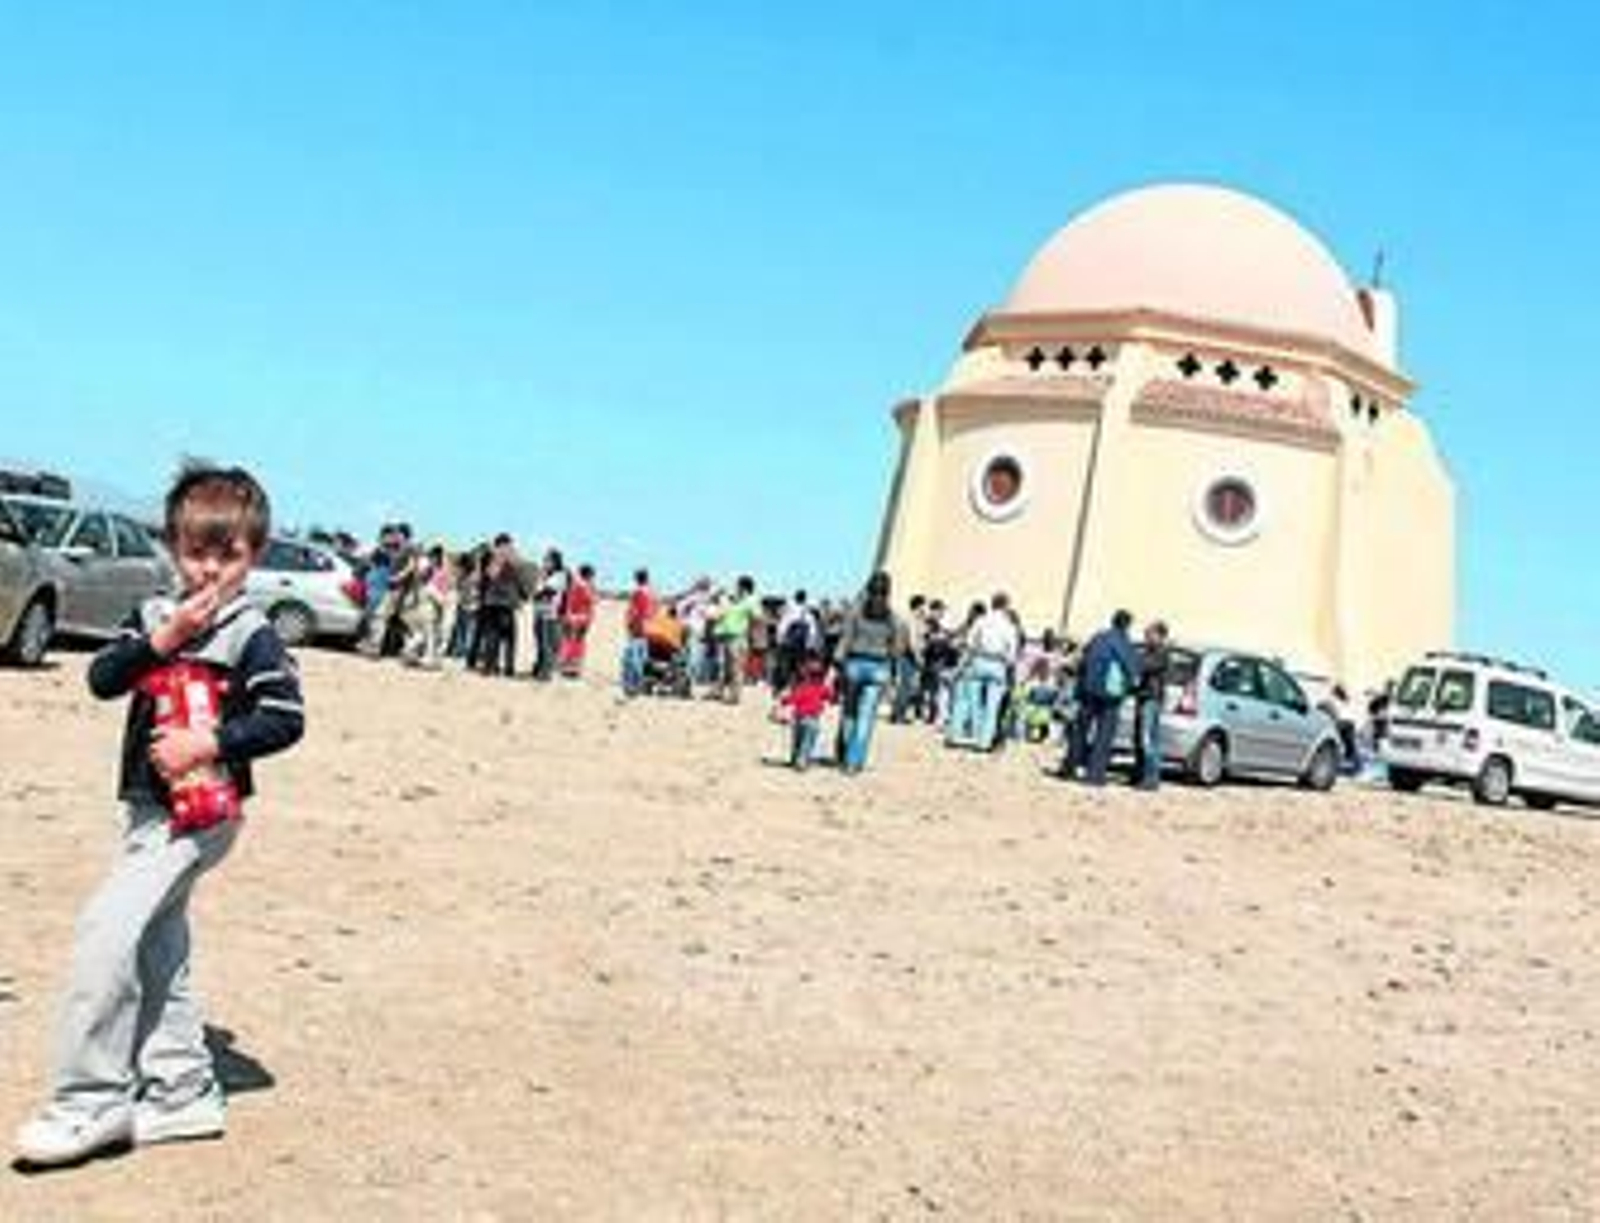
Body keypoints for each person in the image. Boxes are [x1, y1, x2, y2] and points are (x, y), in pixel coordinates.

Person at [13, 465, 306, 1168]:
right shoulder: (153, 615)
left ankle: (90, 1097)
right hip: (147, 810)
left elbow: (285, 718)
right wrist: (164, 638)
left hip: (201, 814)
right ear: (173, 544)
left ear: (252, 556)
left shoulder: (251, 633)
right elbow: (101, 679)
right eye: (196, 549)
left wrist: (209, 740)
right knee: (156, 945)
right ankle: (182, 1089)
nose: (209, 567)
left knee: (104, 933)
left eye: (227, 553)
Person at [834, 571, 910, 774]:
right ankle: (854, 761)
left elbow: (845, 641)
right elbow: (898, 648)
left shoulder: (856, 612)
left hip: (855, 664)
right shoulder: (894, 618)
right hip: (879, 668)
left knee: (849, 712)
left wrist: (838, 663)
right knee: (866, 717)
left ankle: (844, 751)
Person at [1063, 609, 1142, 786]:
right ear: (1128, 625)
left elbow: (1083, 659)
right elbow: (1133, 672)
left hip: (1087, 690)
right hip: (1110, 696)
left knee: (1080, 731)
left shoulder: (1098, 637)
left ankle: (1069, 768)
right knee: (1104, 736)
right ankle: (1095, 774)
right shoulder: (1125, 643)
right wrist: (1128, 689)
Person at [945, 594, 1021, 750]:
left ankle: (958, 734)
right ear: (1006, 606)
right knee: (992, 705)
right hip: (998, 663)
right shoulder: (1009, 626)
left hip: (979, 660)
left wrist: (962, 666)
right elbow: (1012, 654)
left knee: (970, 700)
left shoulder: (981, 621)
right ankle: (984, 741)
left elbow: (970, 644)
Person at [475, 534, 527, 677]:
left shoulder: (492, 556)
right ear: (506, 543)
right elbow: (521, 578)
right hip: (507, 603)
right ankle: (508, 668)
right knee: (510, 637)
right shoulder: (514, 558)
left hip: (491, 601)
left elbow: (487, 576)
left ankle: (489, 667)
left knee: (492, 635)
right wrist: (523, 596)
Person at [1131, 620, 1171, 789]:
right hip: (1145, 697)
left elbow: (1145, 666)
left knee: (1147, 739)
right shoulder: (1150, 651)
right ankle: (1140, 775)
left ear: (1160, 636)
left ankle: (1151, 778)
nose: (1146, 637)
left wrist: (1136, 658)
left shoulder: (1161, 653)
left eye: (1150, 634)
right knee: (1140, 738)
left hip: (1151, 698)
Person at [711, 575, 761, 704]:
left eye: (738, 585)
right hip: (729, 635)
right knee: (727, 667)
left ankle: (735, 696)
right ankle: (721, 692)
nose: (735, 587)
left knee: (736, 668)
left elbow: (757, 618)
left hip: (738, 637)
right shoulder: (737, 599)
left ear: (743, 587)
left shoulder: (751, 600)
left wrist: (750, 633)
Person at [778, 657, 834, 770]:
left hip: (799, 718)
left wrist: (784, 701)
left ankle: (794, 758)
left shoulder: (802, 687)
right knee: (807, 742)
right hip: (813, 719)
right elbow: (830, 696)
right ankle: (802, 761)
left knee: (797, 740)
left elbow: (793, 698)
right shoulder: (821, 687)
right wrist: (830, 685)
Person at [531, 547, 569, 681]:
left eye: (547, 560)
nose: (545, 562)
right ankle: (540, 668)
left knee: (548, 645)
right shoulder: (545, 575)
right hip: (540, 613)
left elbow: (546, 593)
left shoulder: (559, 576)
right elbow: (537, 592)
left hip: (550, 615)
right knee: (540, 644)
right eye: (545, 560)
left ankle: (546, 672)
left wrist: (538, 594)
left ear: (555, 561)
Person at [620, 568, 657, 697]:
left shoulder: (638, 593)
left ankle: (633, 685)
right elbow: (653, 611)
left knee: (632, 658)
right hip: (648, 627)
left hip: (637, 627)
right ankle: (641, 684)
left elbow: (634, 611)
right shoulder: (652, 593)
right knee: (643, 657)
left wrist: (629, 623)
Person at [557, 563, 597, 678]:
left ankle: (568, 667)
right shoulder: (584, 586)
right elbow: (591, 600)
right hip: (581, 618)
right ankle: (573, 668)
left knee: (570, 642)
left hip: (574, 617)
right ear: (589, 575)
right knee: (578, 643)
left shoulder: (575, 585)